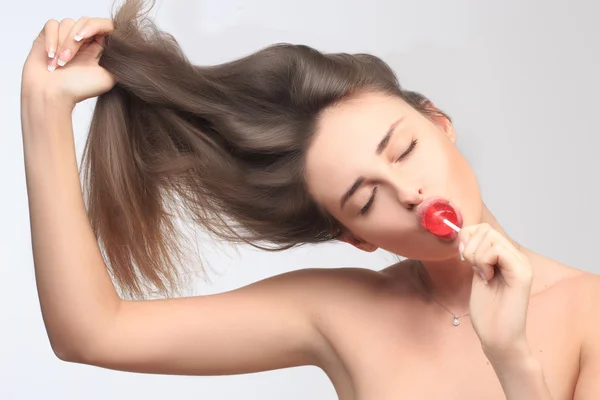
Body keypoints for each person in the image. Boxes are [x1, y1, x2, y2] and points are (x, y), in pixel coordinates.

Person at [20, 1, 600, 399]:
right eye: (366, 199)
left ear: (440, 123)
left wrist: (514, 359)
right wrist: (43, 108)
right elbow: (93, 332)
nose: (409, 193)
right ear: (357, 238)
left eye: (402, 149)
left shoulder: (589, 309)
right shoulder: (341, 312)